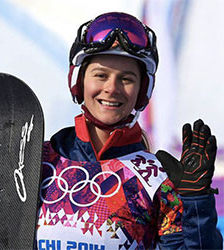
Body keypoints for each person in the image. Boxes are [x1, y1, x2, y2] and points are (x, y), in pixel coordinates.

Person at [36, 12, 223, 249]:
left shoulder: (158, 180)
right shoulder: (36, 163)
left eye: (126, 79)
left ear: (142, 90)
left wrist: (196, 202)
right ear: (78, 80)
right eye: (101, 75)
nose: (112, 88)